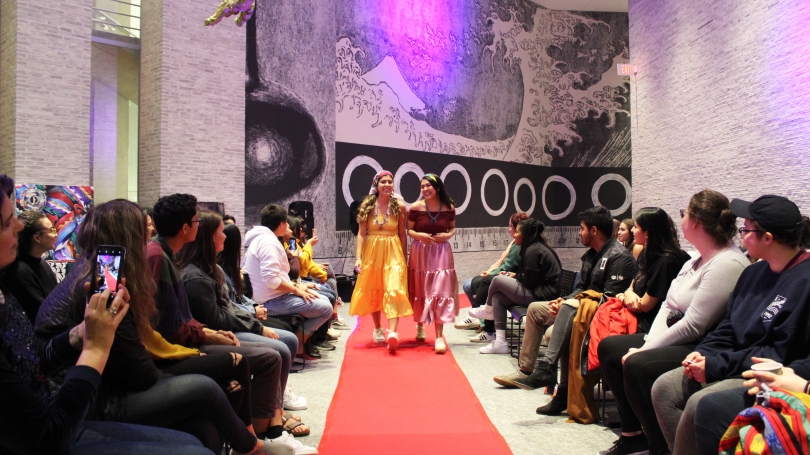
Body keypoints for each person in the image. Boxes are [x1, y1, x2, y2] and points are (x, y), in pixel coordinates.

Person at [34, 198, 294, 455]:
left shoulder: (97, 271)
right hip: (92, 397)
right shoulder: (104, 286)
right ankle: (252, 446)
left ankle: (251, 440)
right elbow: (139, 361)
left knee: (210, 415)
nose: (147, 242)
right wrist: (186, 360)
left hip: (104, 382)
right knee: (211, 384)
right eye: (143, 235)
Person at [0, 175, 224, 455]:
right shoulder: (97, 276)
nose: (20, 226)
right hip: (68, 414)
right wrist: (94, 347)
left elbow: (36, 360)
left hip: (75, 399)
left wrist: (80, 334)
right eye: (8, 223)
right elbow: (45, 437)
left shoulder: (7, 294)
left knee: (200, 430)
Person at [149, 195, 316, 454]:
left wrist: (215, 330)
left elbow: (191, 317)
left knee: (280, 344)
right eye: (220, 232)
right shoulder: (166, 261)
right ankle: (259, 437)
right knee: (272, 352)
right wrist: (215, 332)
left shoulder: (173, 258)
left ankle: (269, 423)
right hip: (177, 348)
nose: (226, 238)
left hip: (196, 335)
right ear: (185, 228)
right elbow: (175, 326)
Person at [651, 194, 810, 455]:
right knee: (664, 389)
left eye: (746, 229)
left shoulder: (804, 282)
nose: (740, 235)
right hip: (735, 361)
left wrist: (716, 365)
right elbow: (728, 325)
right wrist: (704, 352)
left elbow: (778, 354)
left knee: (701, 404)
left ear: (767, 238)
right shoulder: (753, 272)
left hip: (770, 374)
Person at [594, 195, 746, 455]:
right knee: (609, 348)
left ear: (696, 222)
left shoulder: (726, 263)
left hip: (702, 344)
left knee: (636, 364)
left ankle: (660, 446)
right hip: (677, 335)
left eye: (684, 213)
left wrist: (645, 351)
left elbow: (694, 325)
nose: (681, 218)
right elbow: (669, 304)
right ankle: (633, 434)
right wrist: (649, 342)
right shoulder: (695, 258)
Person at [491, 206, 635, 415]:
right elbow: (580, 288)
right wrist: (564, 300)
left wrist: (573, 303)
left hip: (606, 317)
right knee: (535, 309)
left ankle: (557, 383)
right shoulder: (591, 256)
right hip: (580, 309)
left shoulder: (619, 257)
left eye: (582, 228)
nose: (579, 232)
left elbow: (612, 300)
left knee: (555, 330)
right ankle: (527, 369)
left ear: (594, 230)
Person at [178, 211, 309, 436]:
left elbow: (231, 305)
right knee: (279, 348)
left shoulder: (212, 268)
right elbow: (217, 319)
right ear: (210, 237)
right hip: (217, 333)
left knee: (286, 339)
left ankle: (274, 409)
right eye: (221, 232)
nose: (226, 237)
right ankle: (265, 428)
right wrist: (257, 325)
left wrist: (254, 317)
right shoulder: (196, 276)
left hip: (229, 325)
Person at [218, 223, 308, 411]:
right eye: (219, 232)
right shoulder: (214, 269)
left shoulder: (226, 266)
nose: (291, 230)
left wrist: (253, 307)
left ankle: (277, 398)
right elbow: (224, 308)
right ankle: (274, 406)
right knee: (285, 341)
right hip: (232, 324)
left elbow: (238, 297)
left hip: (246, 312)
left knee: (286, 333)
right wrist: (254, 313)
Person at [242, 204, 333, 362]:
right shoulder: (268, 243)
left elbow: (280, 276)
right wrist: (296, 290)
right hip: (269, 301)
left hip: (274, 295)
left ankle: (300, 344)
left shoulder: (264, 239)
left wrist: (298, 287)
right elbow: (272, 280)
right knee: (325, 308)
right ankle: (298, 346)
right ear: (282, 224)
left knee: (324, 299)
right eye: (287, 223)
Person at [469, 218, 562, 354]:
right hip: (536, 291)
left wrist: (516, 278)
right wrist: (514, 275)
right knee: (498, 297)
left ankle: (488, 311)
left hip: (542, 296)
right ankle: (500, 343)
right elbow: (529, 277)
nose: (514, 235)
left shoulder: (533, 251)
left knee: (497, 280)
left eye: (517, 232)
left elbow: (530, 282)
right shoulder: (532, 247)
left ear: (525, 235)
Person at [350, 170, 412, 352]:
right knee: (374, 289)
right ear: (376, 185)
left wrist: (404, 257)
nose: (387, 184)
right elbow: (361, 234)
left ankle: (392, 332)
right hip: (372, 250)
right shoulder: (366, 206)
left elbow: (402, 233)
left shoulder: (400, 207)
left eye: (390, 181)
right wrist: (358, 258)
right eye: (383, 181)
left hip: (393, 250)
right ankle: (377, 328)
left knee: (395, 288)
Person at [457, 212, 529, 343]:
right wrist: (490, 271)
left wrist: (491, 274)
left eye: (511, 227)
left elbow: (509, 268)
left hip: (522, 288)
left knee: (481, 283)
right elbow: (502, 263)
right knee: (473, 283)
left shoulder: (522, 247)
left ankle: (485, 325)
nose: (509, 230)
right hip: (513, 280)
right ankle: (483, 323)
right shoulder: (515, 243)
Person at [407, 173, 458, 354]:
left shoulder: (449, 206)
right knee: (421, 288)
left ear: (437, 187)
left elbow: (452, 228)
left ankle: (438, 336)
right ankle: (419, 324)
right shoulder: (415, 207)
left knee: (440, 291)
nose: (425, 189)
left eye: (428, 185)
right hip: (420, 251)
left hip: (441, 251)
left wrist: (448, 235)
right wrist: (419, 236)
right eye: (422, 186)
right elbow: (410, 230)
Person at [3, 210, 58, 322]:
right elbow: (44, 314)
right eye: (52, 230)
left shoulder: (42, 264)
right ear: (37, 238)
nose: (55, 234)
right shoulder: (20, 271)